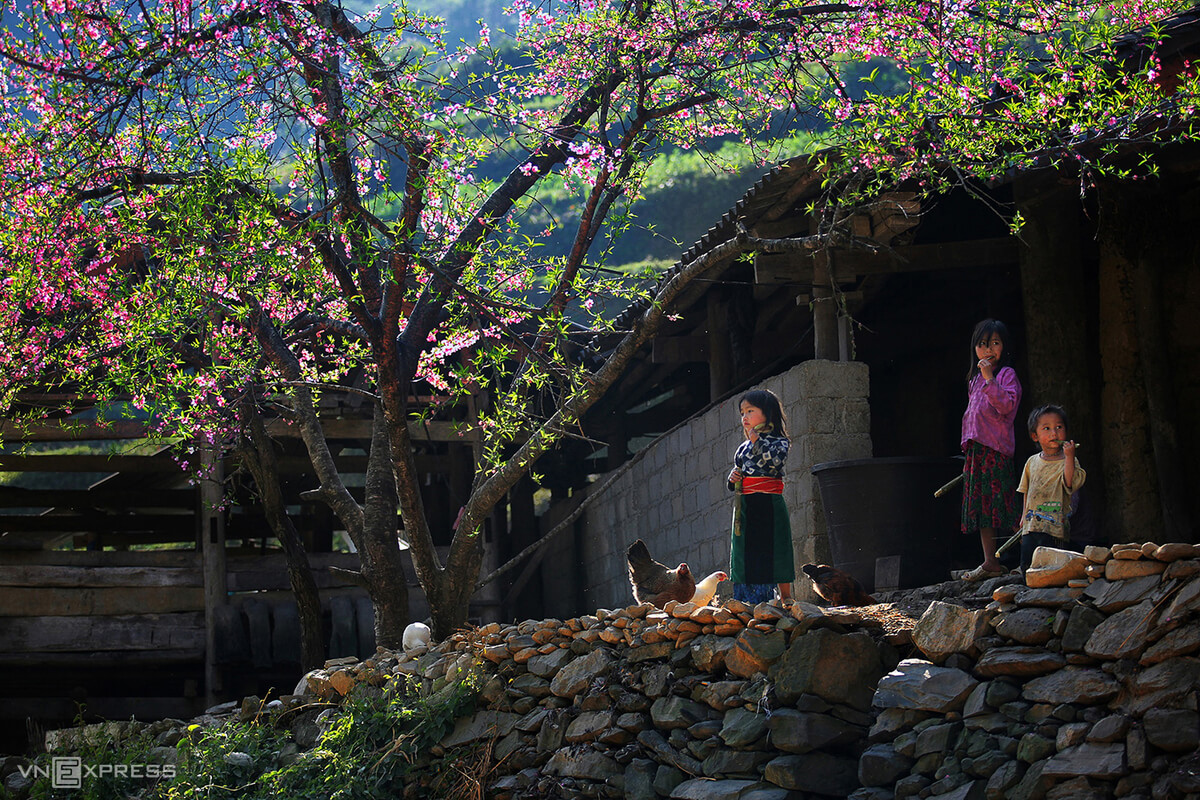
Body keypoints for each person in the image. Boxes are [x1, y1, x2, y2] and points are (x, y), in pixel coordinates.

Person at [960, 319, 1022, 581]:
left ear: (1004, 347)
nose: (988, 350)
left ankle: (1020, 559)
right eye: (983, 344)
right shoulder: (973, 381)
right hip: (977, 453)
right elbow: (971, 416)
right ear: (975, 349)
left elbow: (1006, 407)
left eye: (994, 343)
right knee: (983, 509)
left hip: (996, 452)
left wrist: (989, 379)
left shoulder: (1006, 375)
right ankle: (989, 562)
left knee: (1003, 506)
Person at [727, 388, 795, 603]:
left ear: (767, 413)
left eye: (750, 411)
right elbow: (737, 478)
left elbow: (773, 462)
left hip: (769, 504)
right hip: (745, 506)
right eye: (742, 413)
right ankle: (746, 598)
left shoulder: (779, 442)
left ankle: (785, 597)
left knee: (777, 548)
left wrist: (757, 441)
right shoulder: (742, 448)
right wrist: (732, 478)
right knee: (744, 550)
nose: (744, 417)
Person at [1017, 404, 1087, 572]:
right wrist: (1023, 516)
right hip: (1032, 524)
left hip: (1056, 527)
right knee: (1028, 563)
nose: (1054, 434)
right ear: (1035, 436)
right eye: (1046, 428)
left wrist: (1070, 457)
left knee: (1053, 566)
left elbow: (1069, 483)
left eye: (1059, 427)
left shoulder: (1069, 460)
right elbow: (1027, 490)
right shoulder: (1031, 462)